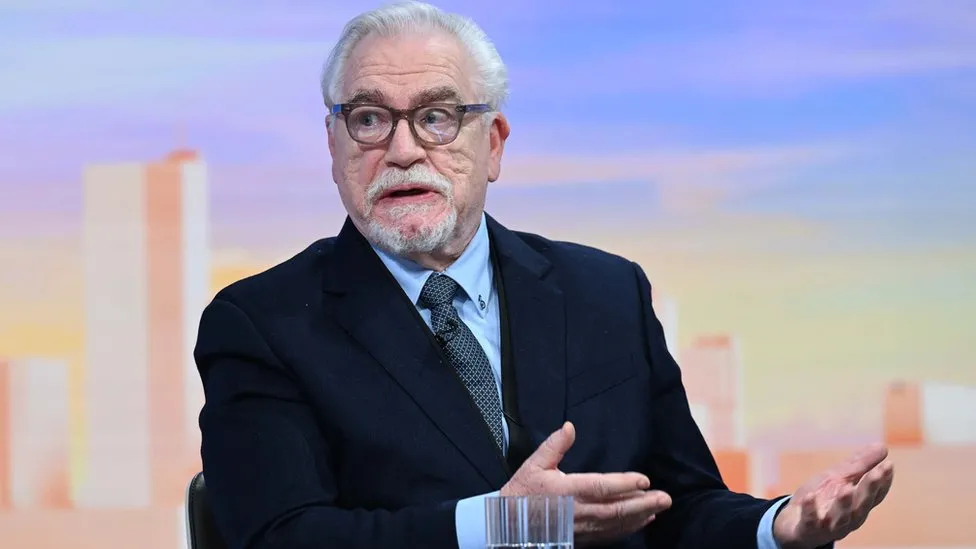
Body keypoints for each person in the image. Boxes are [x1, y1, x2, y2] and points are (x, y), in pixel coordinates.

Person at [193, 2, 894, 548]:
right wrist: (499, 525)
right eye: (369, 118)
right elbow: (283, 536)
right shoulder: (262, 323)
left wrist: (778, 528)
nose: (402, 149)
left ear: (493, 144)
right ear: (334, 144)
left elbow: (677, 507)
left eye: (436, 116)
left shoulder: (607, 293)